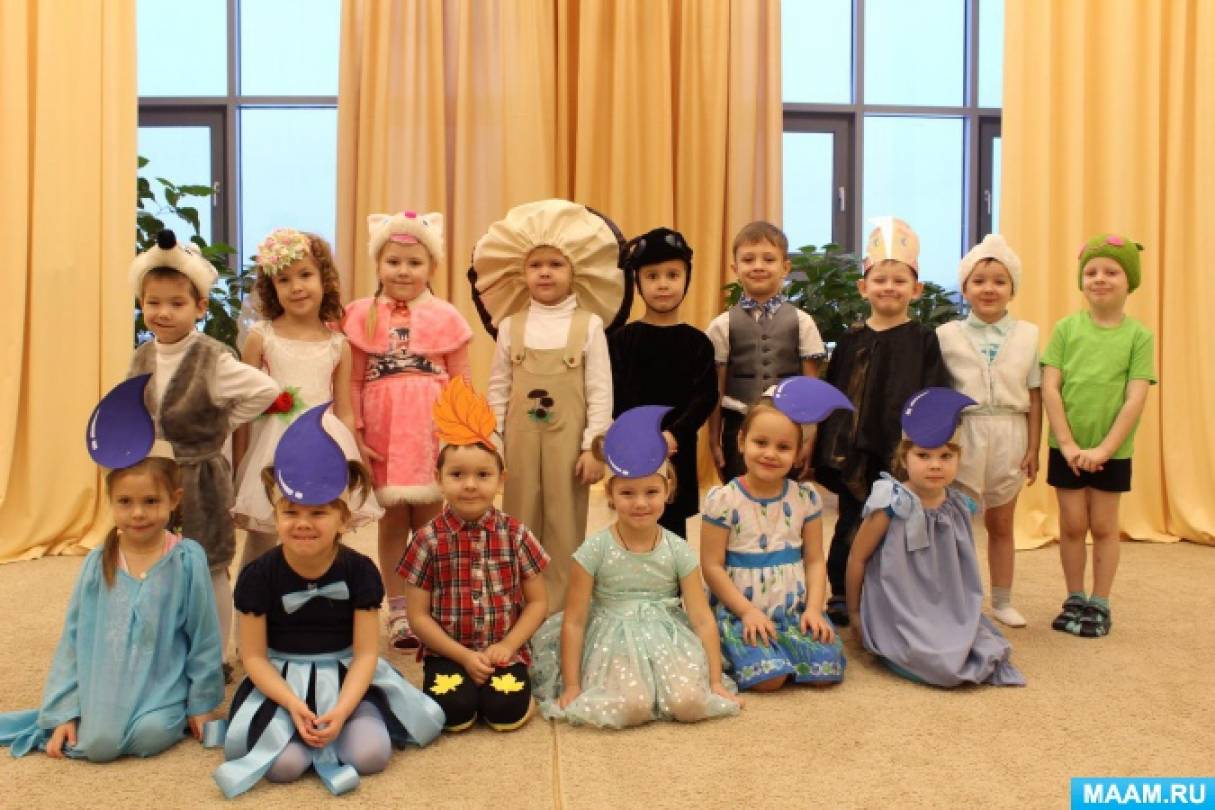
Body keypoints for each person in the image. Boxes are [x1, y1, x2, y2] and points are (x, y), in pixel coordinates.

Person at [214, 404, 444, 798]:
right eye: (290, 512)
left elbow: (366, 653)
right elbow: (253, 657)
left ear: (344, 519)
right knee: (283, 766)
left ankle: (342, 724)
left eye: (318, 513)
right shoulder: (258, 575)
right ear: (275, 514)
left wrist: (341, 709)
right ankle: (299, 730)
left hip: (344, 676)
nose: (303, 523)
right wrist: (292, 704)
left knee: (369, 755)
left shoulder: (359, 571)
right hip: (280, 681)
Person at [0, 375, 223, 760]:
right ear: (111, 500)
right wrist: (64, 709)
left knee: (148, 738)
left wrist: (202, 703)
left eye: (151, 501)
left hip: (162, 685)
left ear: (174, 500)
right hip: (106, 683)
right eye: (125, 502)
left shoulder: (188, 560)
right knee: (100, 745)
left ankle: (163, 712)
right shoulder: (97, 562)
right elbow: (73, 638)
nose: (138, 513)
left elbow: (203, 635)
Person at [530, 406, 742, 728]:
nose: (640, 503)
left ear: (668, 491)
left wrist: (714, 681)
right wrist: (572, 685)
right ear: (611, 494)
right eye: (627, 492)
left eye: (651, 492)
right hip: (610, 639)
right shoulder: (594, 550)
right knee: (632, 705)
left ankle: (672, 686)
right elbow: (574, 620)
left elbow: (701, 618)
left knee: (688, 702)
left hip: (666, 637)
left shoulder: (678, 550)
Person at [127, 229, 280, 666]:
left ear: (199, 307)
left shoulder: (213, 357)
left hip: (201, 477)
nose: (163, 312)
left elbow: (265, 391)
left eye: (176, 303)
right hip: (154, 474)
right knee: (160, 560)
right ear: (141, 304)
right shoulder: (142, 355)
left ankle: (216, 657)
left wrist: (221, 424)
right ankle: (168, 646)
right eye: (153, 303)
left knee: (209, 562)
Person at [472, 198, 631, 610]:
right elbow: (498, 388)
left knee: (564, 520)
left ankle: (561, 606)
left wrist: (594, 447)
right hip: (520, 443)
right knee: (519, 516)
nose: (545, 272)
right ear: (521, 273)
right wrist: (494, 441)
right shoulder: (511, 327)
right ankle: (518, 600)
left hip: (569, 445)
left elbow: (600, 391)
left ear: (575, 271)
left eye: (556, 264)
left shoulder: (589, 326)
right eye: (536, 265)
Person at [340, 211, 472, 649]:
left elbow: (462, 382)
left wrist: (462, 436)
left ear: (431, 267)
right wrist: (356, 432)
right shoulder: (361, 315)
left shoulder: (446, 316)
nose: (403, 271)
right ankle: (398, 608)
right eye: (393, 261)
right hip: (385, 435)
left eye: (414, 263)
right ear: (378, 264)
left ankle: (429, 606)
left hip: (432, 431)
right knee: (393, 521)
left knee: (432, 523)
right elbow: (353, 380)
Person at [813, 217, 949, 626]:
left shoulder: (923, 339)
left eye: (900, 281)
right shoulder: (851, 339)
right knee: (851, 519)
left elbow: (934, 393)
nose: (889, 287)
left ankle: (892, 592)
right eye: (880, 280)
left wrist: (924, 444)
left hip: (899, 449)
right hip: (855, 450)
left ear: (916, 289)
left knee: (900, 522)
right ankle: (842, 592)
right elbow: (835, 396)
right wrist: (827, 447)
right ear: (863, 287)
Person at [845, 388, 1025, 687]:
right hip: (899, 605)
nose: (935, 465)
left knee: (979, 648)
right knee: (936, 662)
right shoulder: (891, 502)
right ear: (904, 458)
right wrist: (854, 612)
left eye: (946, 456)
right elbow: (858, 557)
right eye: (923, 455)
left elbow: (961, 569)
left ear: (959, 458)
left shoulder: (957, 505)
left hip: (944, 605)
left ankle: (943, 632)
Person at [400, 378, 549, 733]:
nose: (469, 484)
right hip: (448, 652)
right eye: (457, 474)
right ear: (439, 478)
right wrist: (464, 656)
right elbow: (418, 615)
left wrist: (509, 645)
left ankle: (515, 694)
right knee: (453, 713)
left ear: (501, 479)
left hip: (504, 650)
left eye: (483, 475)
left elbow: (538, 603)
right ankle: (462, 686)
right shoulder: (426, 540)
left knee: (505, 712)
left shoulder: (517, 534)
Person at [232, 228, 382, 566]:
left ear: (323, 279)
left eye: (305, 275)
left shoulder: (338, 345)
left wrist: (356, 456)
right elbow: (243, 409)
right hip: (272, 444)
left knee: (322, 522)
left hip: (324, 442)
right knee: (264, 533)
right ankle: (252, 596)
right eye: (283, 280)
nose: (296, 287)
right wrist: (239, 463)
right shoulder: (261, 337)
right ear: (272, 287)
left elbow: (344, 410)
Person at [701, 377, 849, 692]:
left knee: (825, 672)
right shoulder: (724, 500)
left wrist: (814, 608)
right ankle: (750, 651)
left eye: (783, 447)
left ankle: (788, 643)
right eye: (761, 442)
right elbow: (712, 566)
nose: (770, 454)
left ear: (798, 454)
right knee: (770, 679)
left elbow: (814, 560)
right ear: (741, 441)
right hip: (741, 610)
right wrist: (747, 611)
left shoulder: (805, 498)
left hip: (792, 610)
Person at [1041, 234, 1156, 638]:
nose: (1100, 278)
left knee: (1104, 526)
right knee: (1072, 525)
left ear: (1130, 281)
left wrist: (1105, 448)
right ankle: (1074, 596)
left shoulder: (1139, 336)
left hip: (1114, 450)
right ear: (1081, 280)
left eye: (1111, 271)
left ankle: (1100, 601)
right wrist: (1068, 444)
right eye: (1091, 272)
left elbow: (1135, 398)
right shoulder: (1065, 329)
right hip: (1066, 448)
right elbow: (1050, 388)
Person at [936, 234, 1041, 627]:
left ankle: (1001, 599)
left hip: (1011, 433)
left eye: (999, 281)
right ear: (965, 288)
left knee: (1001, 523)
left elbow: (1035, 395)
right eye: (978, 281)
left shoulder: (1029, 335)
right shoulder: (946, 335)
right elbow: (939, 392)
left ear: (1013, 288)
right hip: (964, 434)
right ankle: (955, 599)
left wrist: (1034, 447)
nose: (989, 289)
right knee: (954, 522)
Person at [609, 227, 716, 538]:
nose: (663, 284)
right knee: (633, 518)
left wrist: (674, 433)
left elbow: (705, 396)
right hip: (633, 445)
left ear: (687, 279)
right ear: (638, 282)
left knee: (672, 527)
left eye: (673, 275)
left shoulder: (698, 342)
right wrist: (639, 434)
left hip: (677, 449)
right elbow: (615, 393)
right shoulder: (622, 340)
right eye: (652, 276)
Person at [707, 221, 826, 482]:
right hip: (738, 427)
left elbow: (811, 387)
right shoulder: (721, 325)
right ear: (735, 269)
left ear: (785, 267)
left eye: (769, 259)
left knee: (785, 497)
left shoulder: (802, 322)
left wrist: (809, 438)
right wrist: (714, 440)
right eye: (748, 259)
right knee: (739, 495)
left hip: (788, 427)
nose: (758, 266)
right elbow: (715, 389)